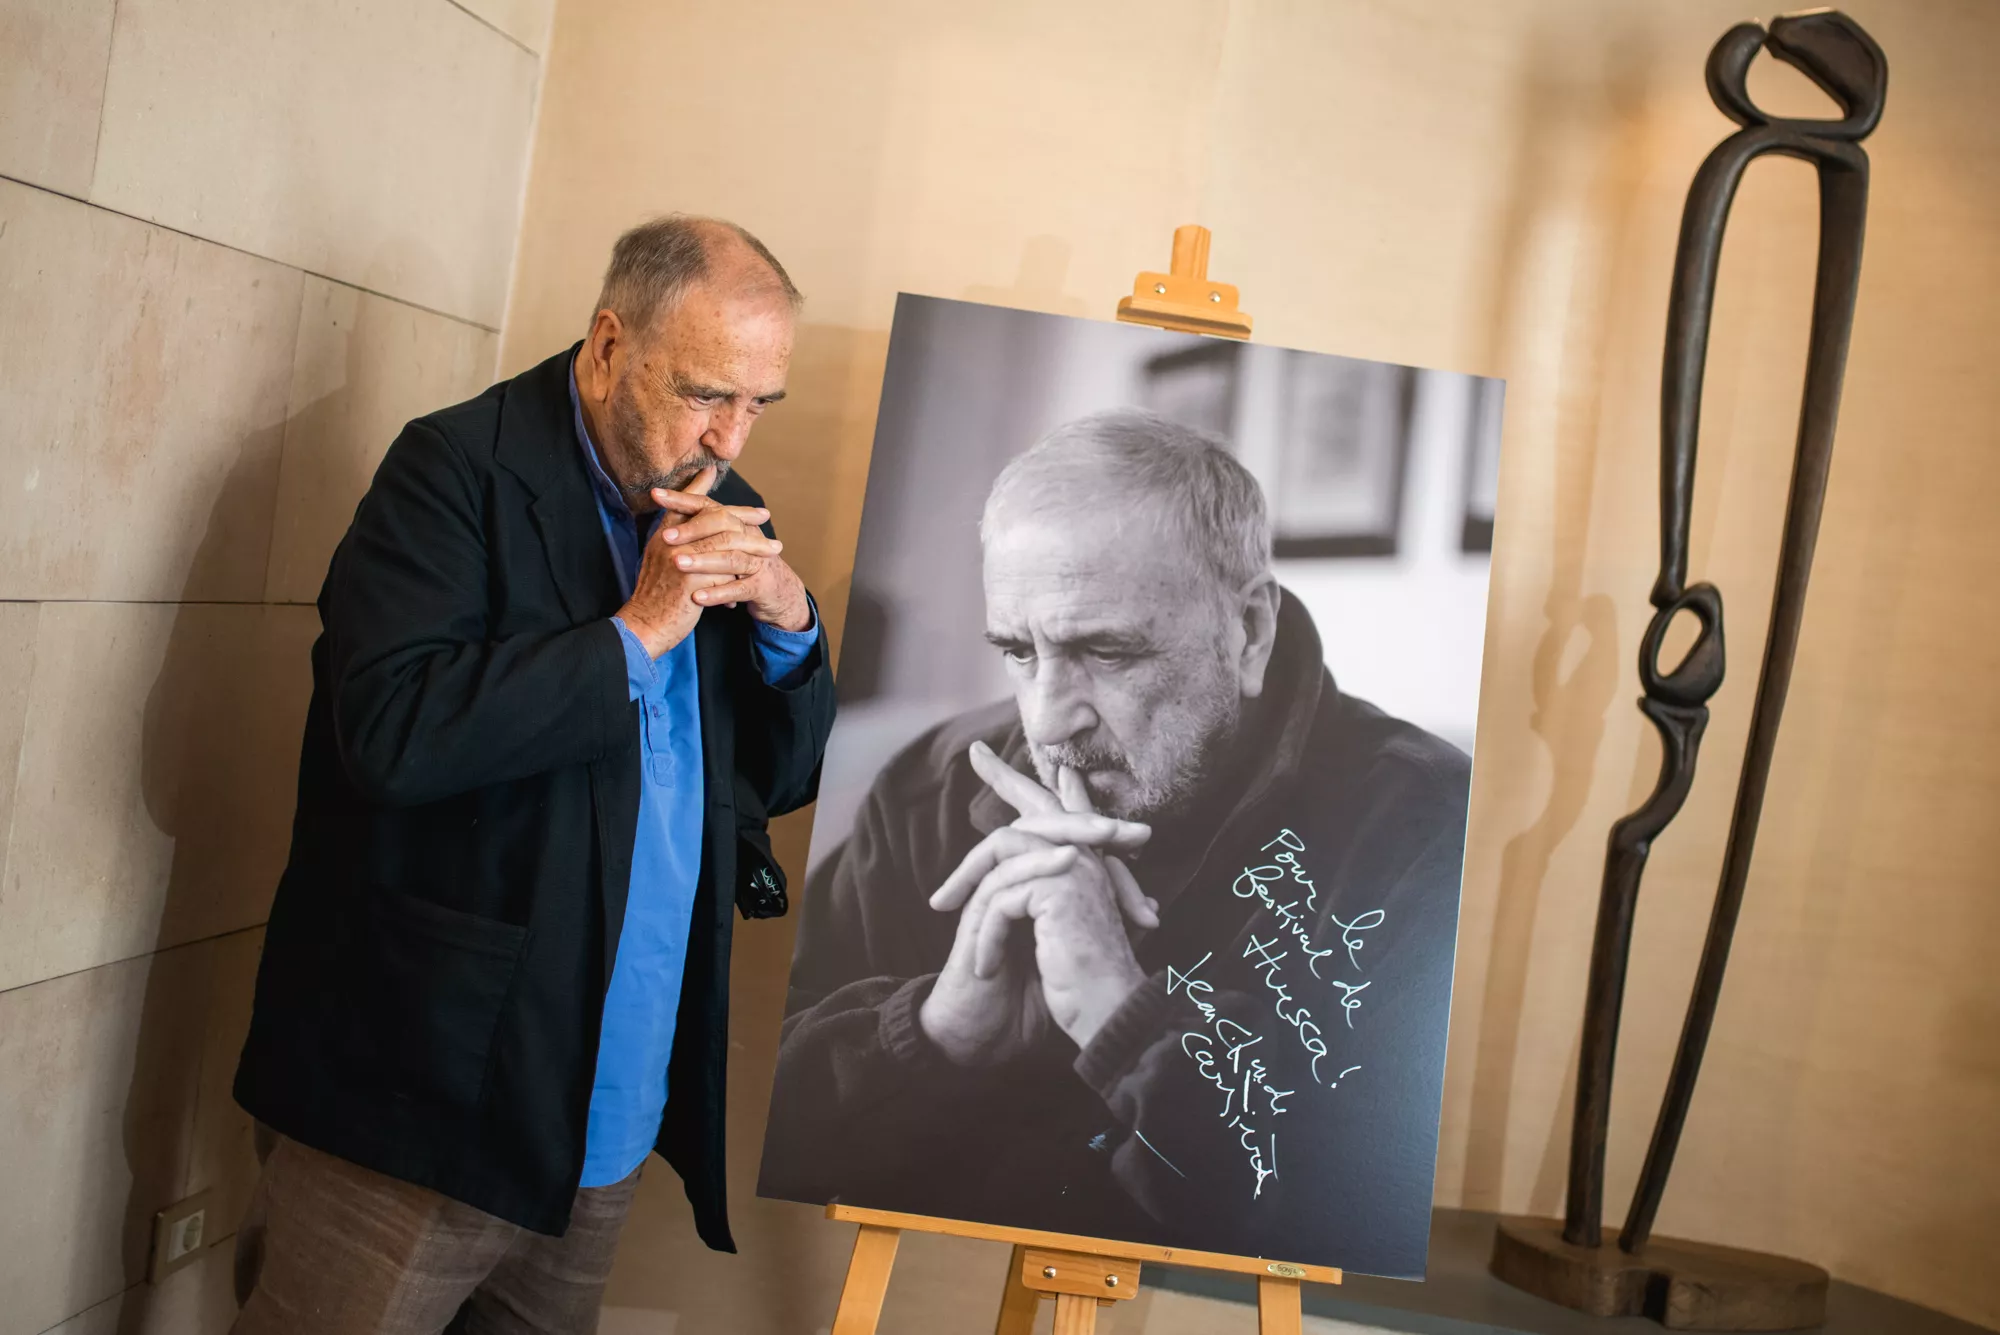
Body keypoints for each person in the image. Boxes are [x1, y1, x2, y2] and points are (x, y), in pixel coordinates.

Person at [230, 215, 836, 1334]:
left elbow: (776, 779)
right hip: (420, 1103)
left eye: (760, 405)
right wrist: (638, 630)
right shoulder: (451, 470)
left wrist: (790, 624)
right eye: (708, 394)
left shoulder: (721, 504)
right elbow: (392, 732)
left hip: (602, 1119)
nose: (732, 438)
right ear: (609, 346)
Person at [759, 409, 1468, 1279]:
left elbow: (1356, 1234)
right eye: (1019, 650)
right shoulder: (929, 786)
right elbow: (758, 1123)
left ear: (1248, 632)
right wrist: (930, 1034)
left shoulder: (1426, 830)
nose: (1048, 719)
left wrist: (1120, 1016)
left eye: (1106, 651)